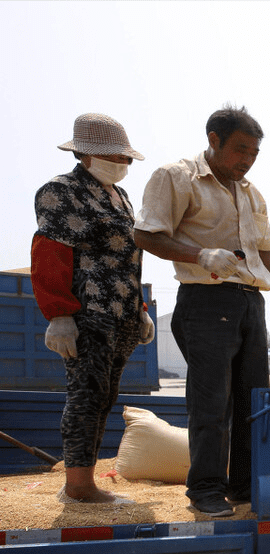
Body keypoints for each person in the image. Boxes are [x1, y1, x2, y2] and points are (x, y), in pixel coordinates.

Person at [134, 106, 270, 518]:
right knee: (212, 403)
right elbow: (145, 233)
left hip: (249, 301)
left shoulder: (249, 191)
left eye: (254, 153)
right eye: (240, 150)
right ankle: (206, 490)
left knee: (252, 402)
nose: (246, 160)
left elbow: (263, 246)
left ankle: (243, 486)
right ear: (214, 139)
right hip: (206, 301)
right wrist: (200, 254)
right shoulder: (176, 177)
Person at [31, 113, 152, 504]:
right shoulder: (60, 191)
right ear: (85, 153)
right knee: (86, 393)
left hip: (122, 313)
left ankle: (85, 481)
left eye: (127, 158)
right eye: (115, 157)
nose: (124, 165)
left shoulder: (120, 196)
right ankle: (78, 487)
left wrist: (142, 309)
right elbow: (49, 252)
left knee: (105, 395)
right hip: (89, 312)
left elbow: (129, 258)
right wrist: (59, 314)